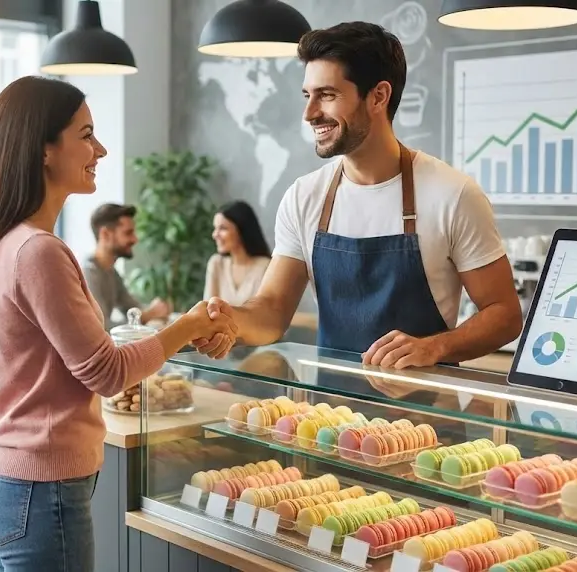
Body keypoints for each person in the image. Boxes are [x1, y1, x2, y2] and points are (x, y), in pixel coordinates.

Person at [0, 76, 236, 572]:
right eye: (86, 135)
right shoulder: (38, 251)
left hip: (0, 481)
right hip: (41, 490)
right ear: (43, 150)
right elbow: (107, 373)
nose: (100, 149)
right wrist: (186, 327)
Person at [195, 22, 522, 369]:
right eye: (307, 95)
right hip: (328, 404)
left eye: (327, 95)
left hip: (428, 405)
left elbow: (505, 315)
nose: (309, 114)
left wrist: (435, 348)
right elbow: (272, 311)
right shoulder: (303, 197)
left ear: (378, 96)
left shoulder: (453, 195)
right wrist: (229, 320)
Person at [82, 203, 171, 328]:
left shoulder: (110, 271)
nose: (135, 239)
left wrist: (157, 310)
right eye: (128, 233)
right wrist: (147, 316)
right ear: (105, 234)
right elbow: (101, 327)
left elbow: (132, 307)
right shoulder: (89, 273)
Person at [204, 200, 272, 306]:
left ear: (242, 230)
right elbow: (207, 308)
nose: (215, 235)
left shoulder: (266, 267)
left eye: (223, 228)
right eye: (215, 228)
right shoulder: (216, 263)